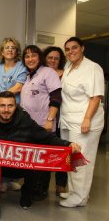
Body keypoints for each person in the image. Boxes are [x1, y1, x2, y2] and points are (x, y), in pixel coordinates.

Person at [0, 91, 81, 209]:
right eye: (2, 105)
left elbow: (45, 136)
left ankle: (27, 192)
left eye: (10, 106)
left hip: (21, 167)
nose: (6, 110)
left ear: (15, 106)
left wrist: (68, 144)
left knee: (37, 155)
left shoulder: (25, 120)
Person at [59, 37, 105, 208]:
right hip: (69, 118)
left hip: (84, 120)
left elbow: (96, 96)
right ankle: (73, 191)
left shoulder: (93, 68)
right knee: (70, 157)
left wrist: (87, 119)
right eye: (68, 49)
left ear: (82, 48)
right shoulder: (68, 66)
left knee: (81, 159)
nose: (71, 51)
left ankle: (80, 197)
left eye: (74, 48)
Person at [20, 45, 62, 201]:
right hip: (29, 126)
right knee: (32, 157)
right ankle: (32, 188)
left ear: (40, 57)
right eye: (27, 56)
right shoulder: (28, 76)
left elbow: (56, 98)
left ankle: (41, 190)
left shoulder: (48, 73)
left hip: (44, 124)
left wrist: (50, 120)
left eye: (33, 56)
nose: (30, 59)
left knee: (43, 158)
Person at [0, 37, 27, 192]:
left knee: (13, 146)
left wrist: (2, 98)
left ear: (17, 51)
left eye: (13, 48)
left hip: (14, 111)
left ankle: (12, 179)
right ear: (2, 51)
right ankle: (0, 179)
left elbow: (18, 87)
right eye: (7, 47)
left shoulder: (21, 67)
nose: (10, 50)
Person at [44, 45, 68, 196]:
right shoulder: (40, 73)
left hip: (61, 119)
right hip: (44, 119)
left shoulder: (65, 74)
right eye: (50, 58)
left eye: (56, 58)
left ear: (61, 60)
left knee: (62, 151)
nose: (53, 60)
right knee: (46, 152)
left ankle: (60, 184)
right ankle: (43, 186)